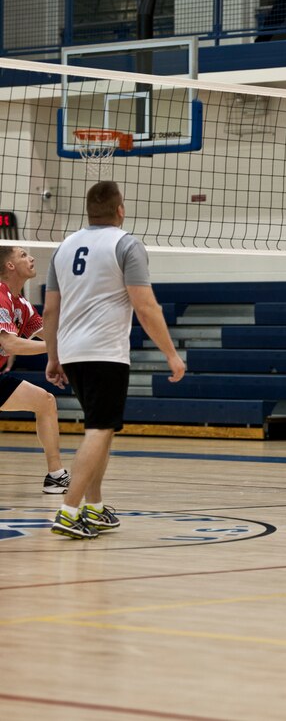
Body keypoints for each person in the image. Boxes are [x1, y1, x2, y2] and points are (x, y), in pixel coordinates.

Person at [43, 181, 186, 539]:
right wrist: (171, 354)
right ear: (120, 209)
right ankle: (68, 510)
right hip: (104, 352)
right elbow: (145, 305)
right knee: (99, 430)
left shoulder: (63, 247)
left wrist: (53, 356)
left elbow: (49, 310)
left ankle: (93, 507)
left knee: (101, 429)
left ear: (88, 210)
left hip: (73, 352)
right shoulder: (126, 244)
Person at [0, 247, 70, 494]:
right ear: (9, 266)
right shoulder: (0, 295)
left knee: (45, 401)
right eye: (22, 255)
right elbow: (9, 344)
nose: (30, 258)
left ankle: (56, 476)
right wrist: (52, 347)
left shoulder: (22, 304)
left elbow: (50, 335)